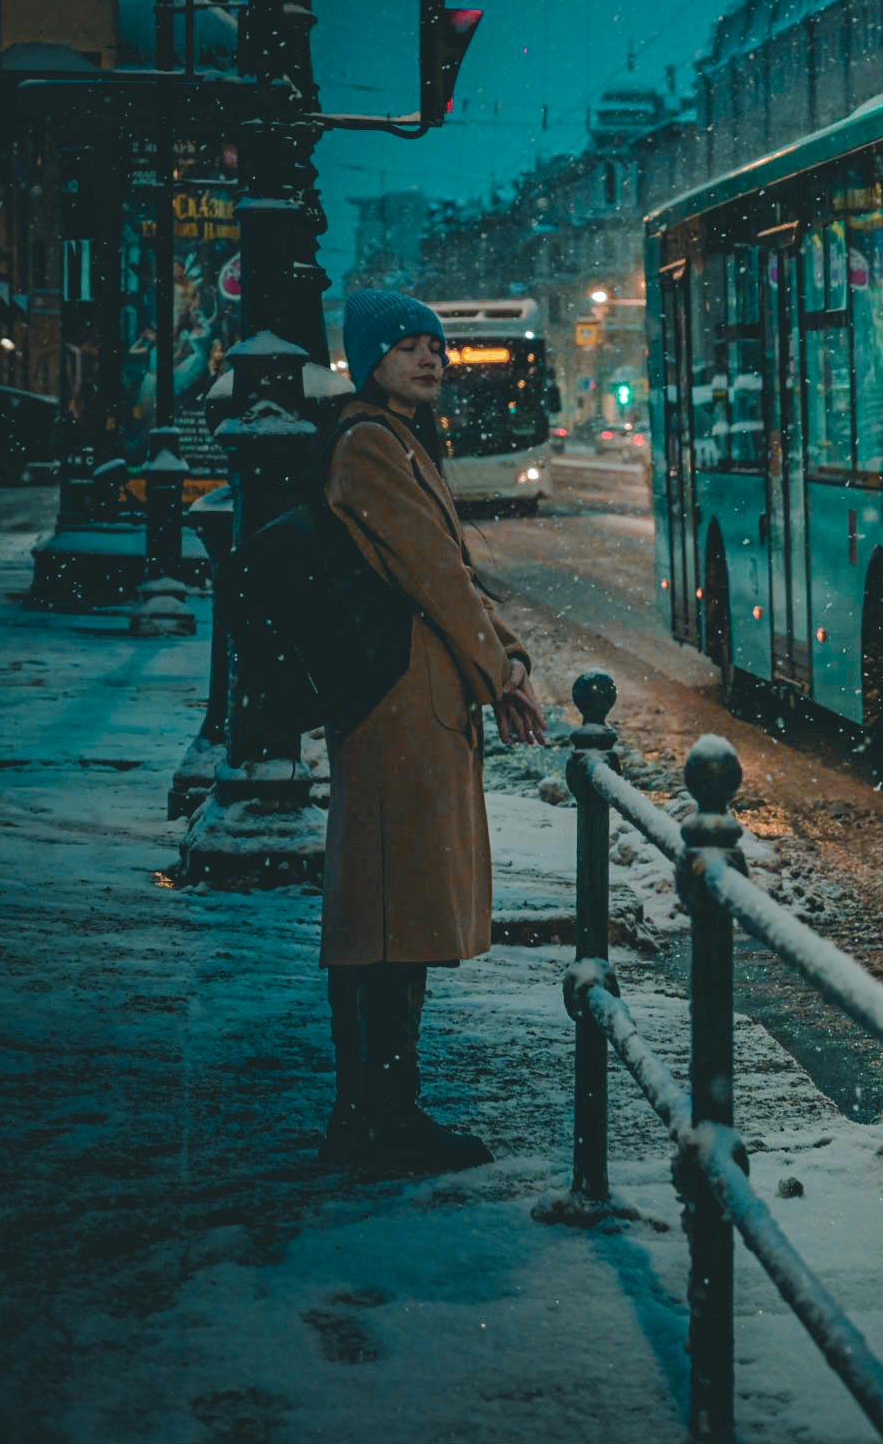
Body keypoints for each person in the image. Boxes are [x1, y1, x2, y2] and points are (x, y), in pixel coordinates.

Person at [318, 289, 549, 1175]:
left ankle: (381, 1112)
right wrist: (502, 680)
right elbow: (435, 577)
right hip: (395, 708)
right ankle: (375, 1120)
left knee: (397, 916)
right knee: (384, 918)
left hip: (414, 702)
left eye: (436, 346)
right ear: (367, 358)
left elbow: (457, 569)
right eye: (409, 345)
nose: (430, 359)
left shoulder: (402, 440)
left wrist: (512, 653)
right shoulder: (369, 445)